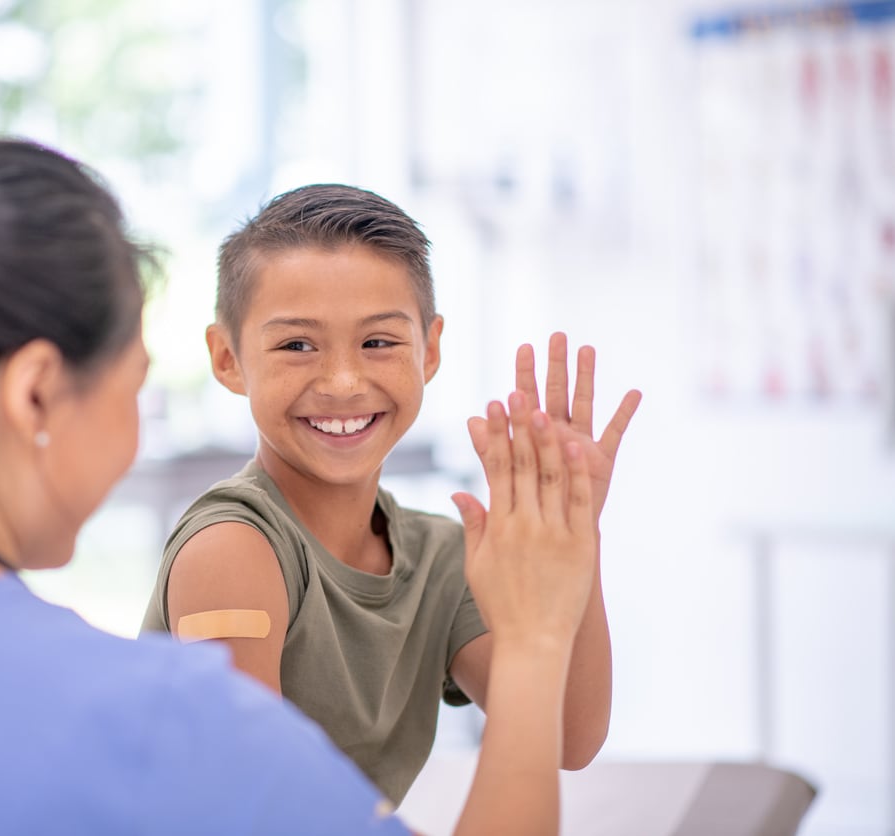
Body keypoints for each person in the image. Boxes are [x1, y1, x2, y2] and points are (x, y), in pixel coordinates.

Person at [0, 138, 599, 836]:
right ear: (38, 391)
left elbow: (575, 733)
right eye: (134, 378)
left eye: (379, 340)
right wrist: (535, 637)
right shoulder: (161, 718)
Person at [141, 184, 642, 803]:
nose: (344, 382)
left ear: (429, 350)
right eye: (297, 345)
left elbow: (568, 736)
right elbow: (246, 805)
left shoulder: (443, 560)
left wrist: (574, 534)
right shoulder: (232, 548)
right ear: (228, 359)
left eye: (378, 342)